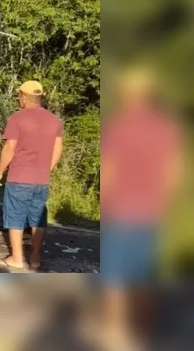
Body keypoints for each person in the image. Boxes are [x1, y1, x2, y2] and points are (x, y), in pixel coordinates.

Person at [100, 67, 181, 350]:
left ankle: (114, 333)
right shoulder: (166, 128)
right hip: (152, 213)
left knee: (116, 276)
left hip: (121, 210)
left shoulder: (119, 127)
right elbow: (174, 172)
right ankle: (143, 333)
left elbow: (109, 171)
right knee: (144, 275)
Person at [0, 80, 63, 272]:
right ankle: (36, 258)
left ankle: (16, 258)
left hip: (20, 177)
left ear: (23, 97)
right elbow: (58, 149)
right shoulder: (54, 121)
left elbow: (10, 147)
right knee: (37, 218)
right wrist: (47, 169)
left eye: (19, 96)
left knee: (15, 216)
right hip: (42, 180)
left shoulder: (17, 119)